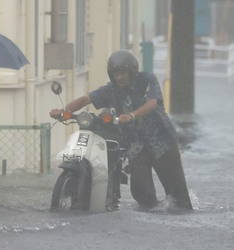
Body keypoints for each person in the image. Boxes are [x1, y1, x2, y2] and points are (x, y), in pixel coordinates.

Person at [49, 50, 192, 211]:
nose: (120, 77)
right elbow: (86, 99)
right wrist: (64, 111)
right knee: (141, 193)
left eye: (123, 73)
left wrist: (132, 115)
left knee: (179, 200)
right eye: (116, 74)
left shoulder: (147, 80)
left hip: (162, 142)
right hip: (137, 146)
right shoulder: (111, 90)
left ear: (132, 72)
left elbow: (152, 103)